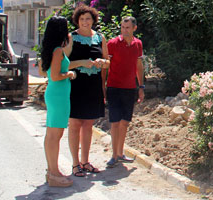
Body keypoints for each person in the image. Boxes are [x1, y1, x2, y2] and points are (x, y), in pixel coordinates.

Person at [40, 16, 94, 187]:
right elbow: (56, 76)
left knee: (52, 135)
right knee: (55, 135)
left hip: (55, 95)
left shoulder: (51, 49)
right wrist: (69, 74)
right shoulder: (57, 51)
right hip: (59, 95)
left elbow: (45, 72)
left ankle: (52, 170)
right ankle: (54, 173)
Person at [65, 4, 108, 177]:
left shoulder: (100, 37)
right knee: (75, 124)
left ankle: (85, 161)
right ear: (77, 20)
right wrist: (82, 62)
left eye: (88, 18)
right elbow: (63, 63)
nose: (85, 22)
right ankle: (75, 164)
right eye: (82, 19)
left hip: (93, 85)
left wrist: (102, 63)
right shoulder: (71, 37)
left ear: (93, 20)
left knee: (88, 124)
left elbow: (108, 61)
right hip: (76, 85)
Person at [103, 16, 144, 167]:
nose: (125, 30)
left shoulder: (138, 44)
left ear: (134, 28)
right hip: (114, 87)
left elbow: (139, 66)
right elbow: (105, 68)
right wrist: (103, 87)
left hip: (130, 88)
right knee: (115, 122)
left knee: (125, 123)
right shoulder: (112, 44)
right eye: (123, 27)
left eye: (128, 27)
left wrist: (141, 87)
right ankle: (114, 155)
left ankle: (120, 153)